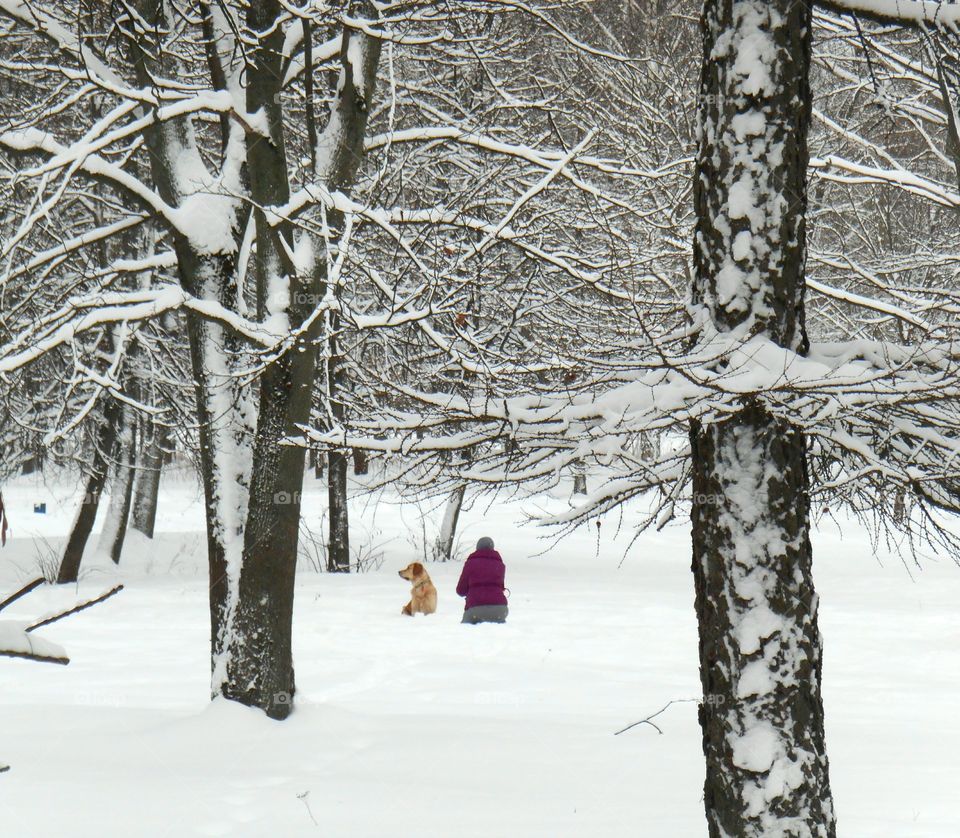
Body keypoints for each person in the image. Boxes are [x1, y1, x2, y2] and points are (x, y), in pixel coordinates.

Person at [456, 536, 508, 624]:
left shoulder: (471, 563)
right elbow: (501, 587)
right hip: (500, 609)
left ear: (477, 548)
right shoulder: (500, 564)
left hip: (476, 609)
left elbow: (461, 590)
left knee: (465, 631)